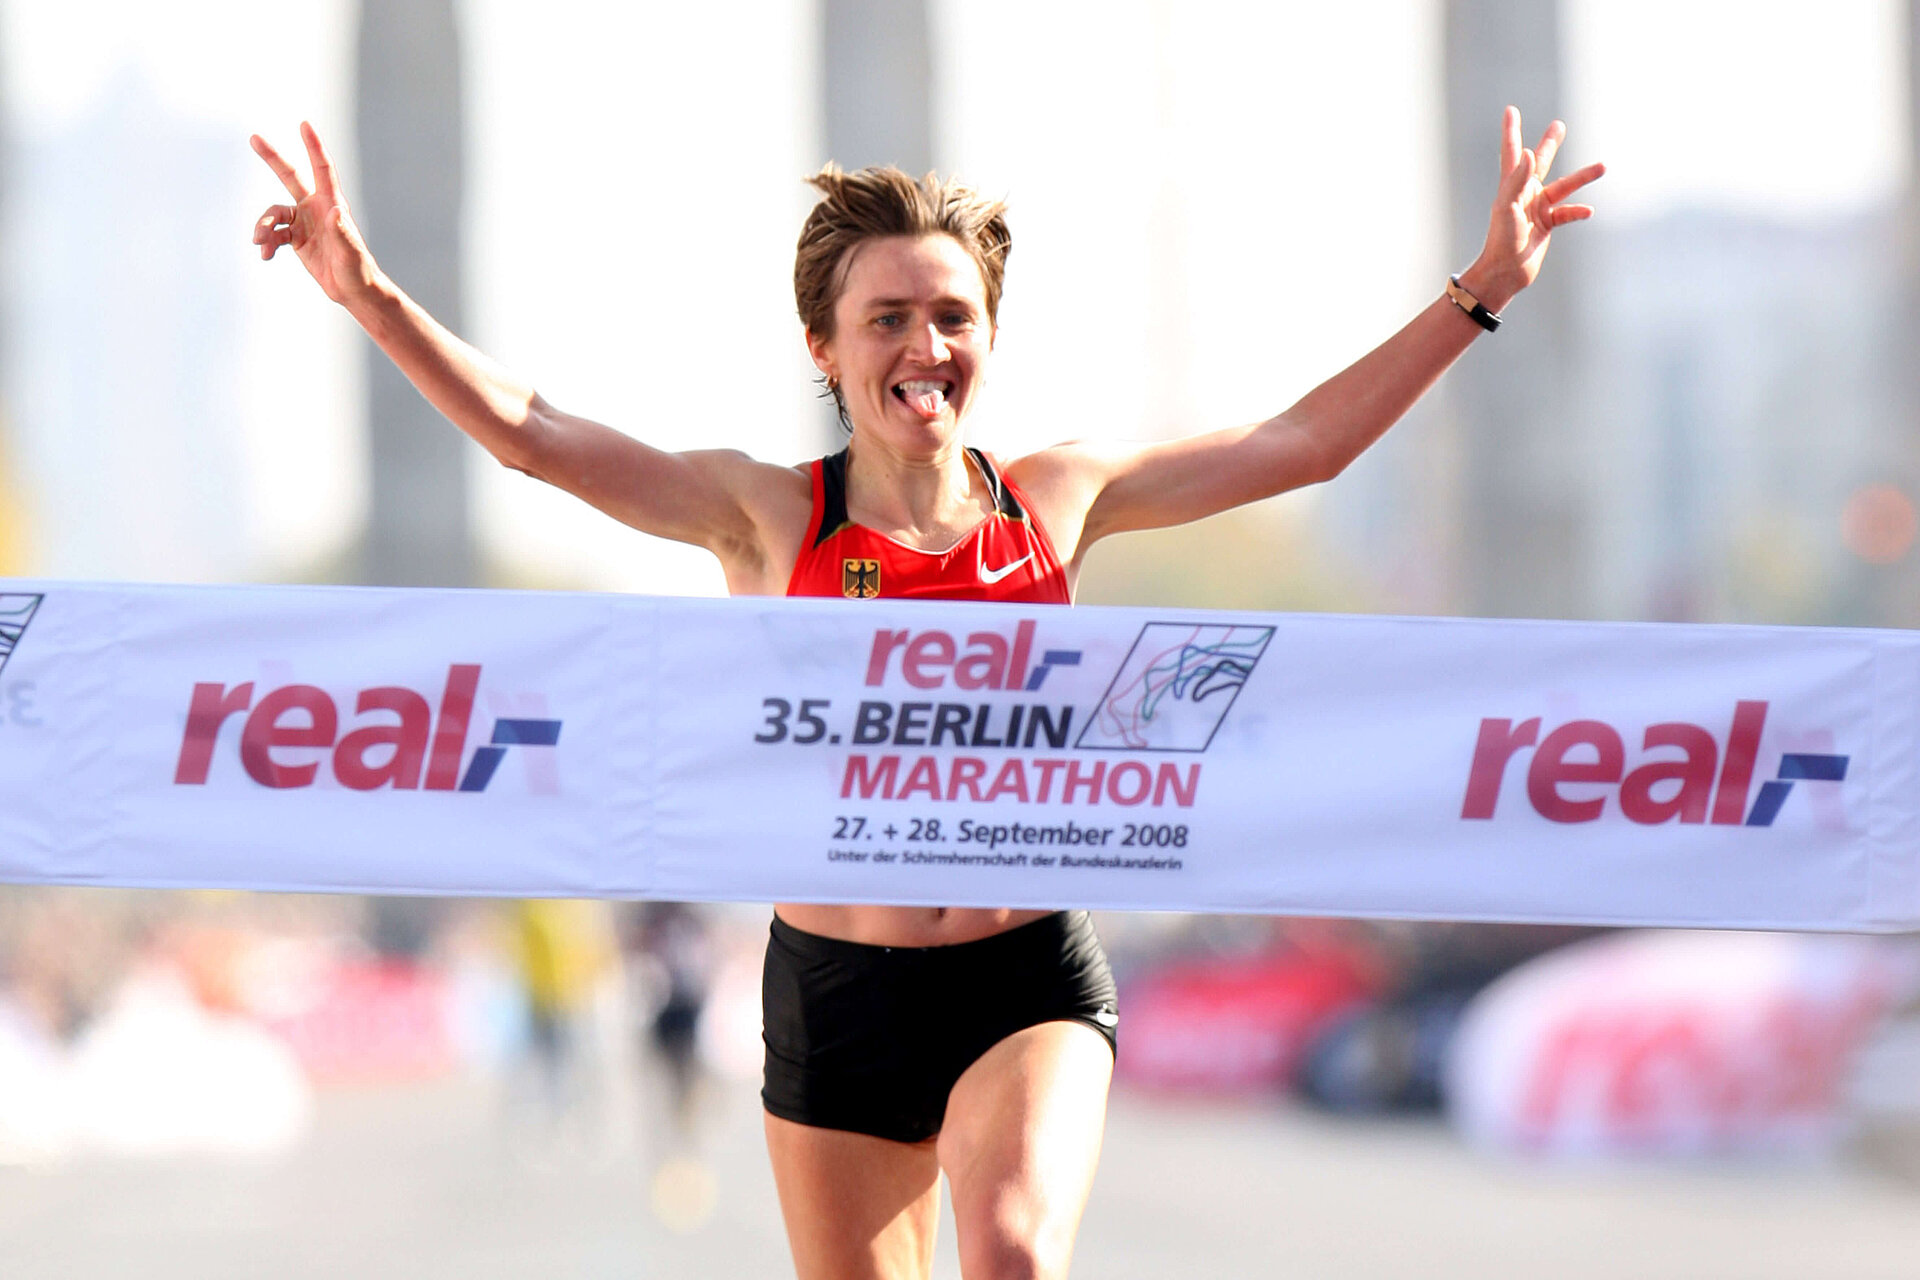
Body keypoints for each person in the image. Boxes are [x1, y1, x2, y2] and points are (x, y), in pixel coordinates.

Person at [251, 109, 1601, 1280]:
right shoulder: (765, 518)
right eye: (886, 319)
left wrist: (1479, 289)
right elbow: (536, 438)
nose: (925, 345)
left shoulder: (1057, 499)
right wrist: (363, 286)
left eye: (953, 316)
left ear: (988, 336)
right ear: (824, 350)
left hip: (1024, 980)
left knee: (1011, 1251)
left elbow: (1302, 446)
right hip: (831, 996)